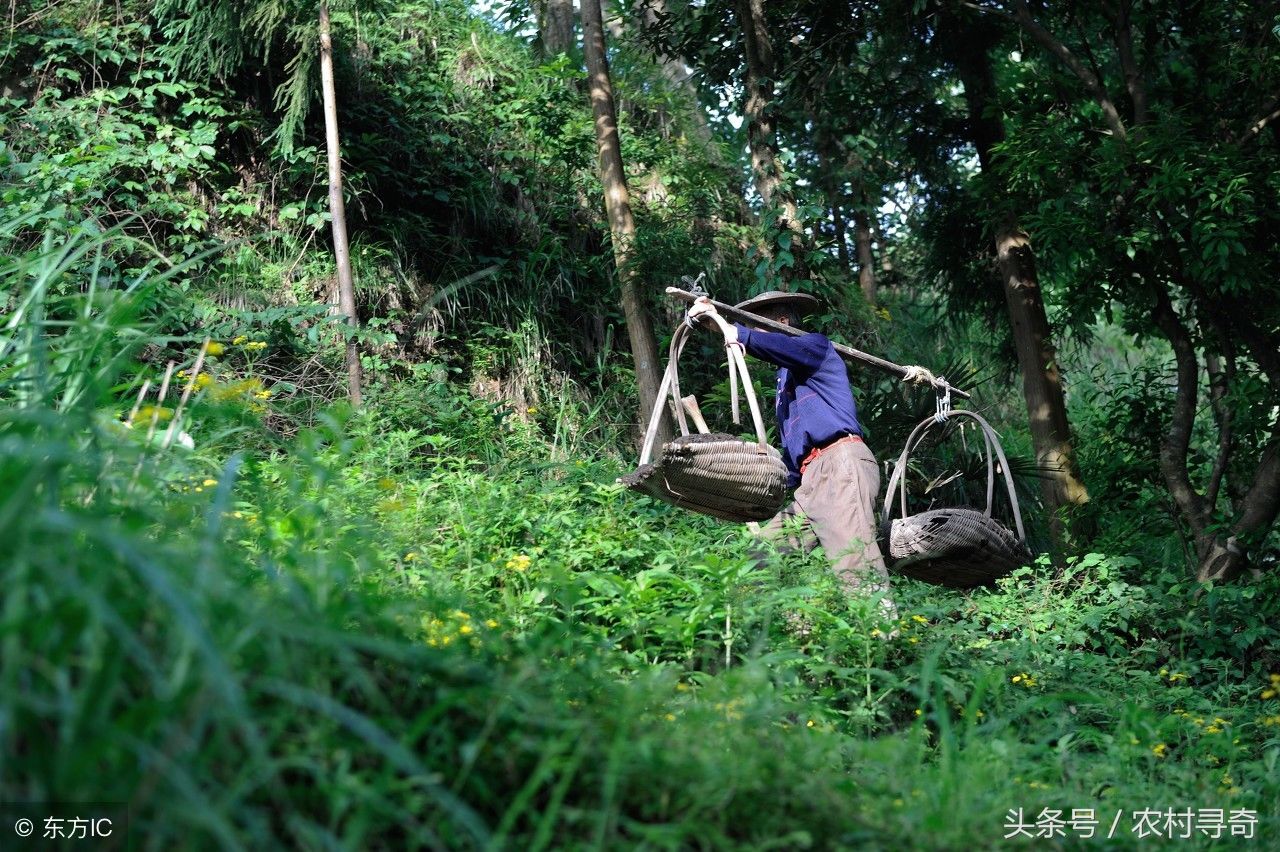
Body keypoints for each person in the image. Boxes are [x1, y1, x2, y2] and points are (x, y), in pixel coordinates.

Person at [687, 292, 898, 627]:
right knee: (760, 557)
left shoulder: (814, 347)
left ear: (781, 321)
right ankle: (788, 634)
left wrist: (732, 331)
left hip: (840, 465)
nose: (749, 331)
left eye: (757, 324)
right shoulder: (785, 381)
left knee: (855, 566)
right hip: (811, 480)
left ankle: (887, 647)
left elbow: (779, 348)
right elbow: (792, 456)